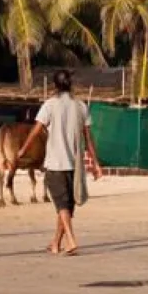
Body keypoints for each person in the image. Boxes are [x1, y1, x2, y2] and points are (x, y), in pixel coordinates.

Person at [33, 69, 98, 255]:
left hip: (55, 164)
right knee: (66, 208)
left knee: (62, 206)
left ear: (55, 85)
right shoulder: (81, 106)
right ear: (70, 85)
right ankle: (55, 243)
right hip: (74, 166)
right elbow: (88, 138)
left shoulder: (50, 105)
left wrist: (22, 150)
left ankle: (70, 240)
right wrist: (95, 163)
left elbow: (36, 130)